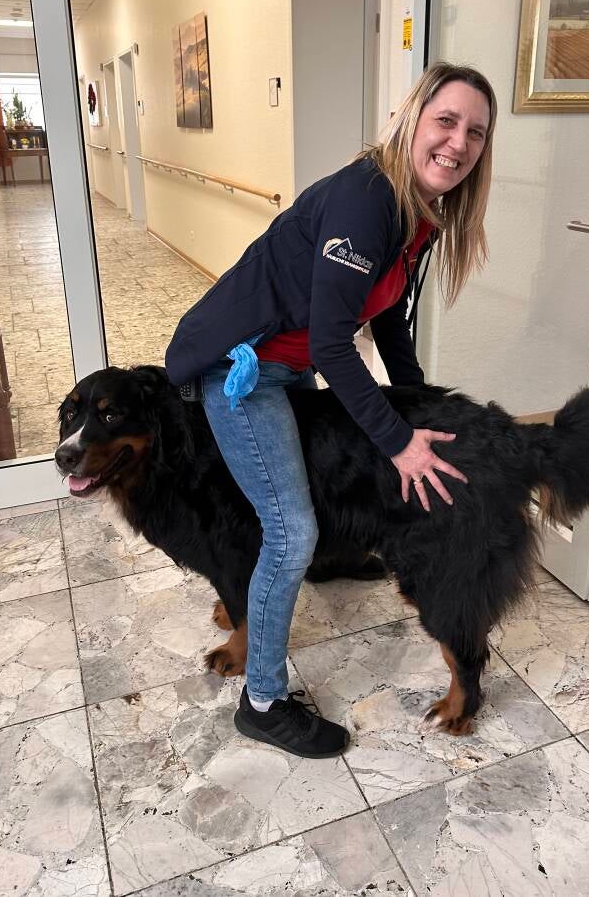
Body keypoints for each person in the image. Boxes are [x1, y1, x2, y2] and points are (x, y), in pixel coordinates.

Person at [165, 61, 497, 758]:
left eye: (475, 132)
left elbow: (390, 318)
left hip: (291, 366)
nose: (458, 143)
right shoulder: (367, 200)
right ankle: (262, 701)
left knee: (317, 495)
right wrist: (399, 441)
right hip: (240, 371)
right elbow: (332, 345)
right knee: (290, 530)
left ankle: (324, 562)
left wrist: (420, 405)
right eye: (446, 121)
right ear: (410, 120)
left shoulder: (417, 214)